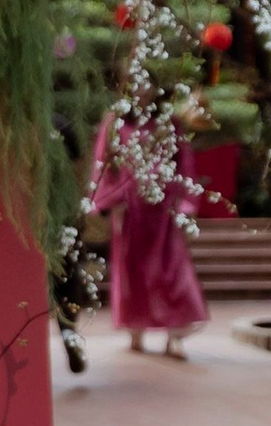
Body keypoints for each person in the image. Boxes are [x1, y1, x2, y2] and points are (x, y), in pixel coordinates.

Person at [89, 110, 208, 358]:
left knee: (173, 269)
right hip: (129, 207)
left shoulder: (168, 120)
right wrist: (109, 199)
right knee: (132, 270)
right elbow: (104, 160)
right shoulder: (115, 121)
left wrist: (186, 203)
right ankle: (135, 330)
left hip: (165, 207)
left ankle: (175, 335)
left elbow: (184, 161)